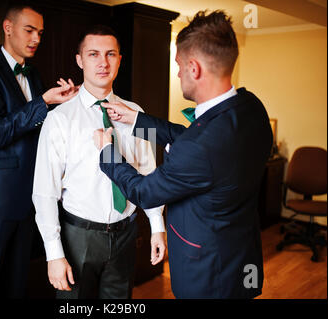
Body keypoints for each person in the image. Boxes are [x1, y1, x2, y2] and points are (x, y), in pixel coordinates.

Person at [93, 10, 272, 299]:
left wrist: (107, 154)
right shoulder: (251, 108)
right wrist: (138, 120)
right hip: (242, 260)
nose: (177, 73)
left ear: (194, 68)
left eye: (178, 66)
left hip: (207, 276)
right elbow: (201, 139)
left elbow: (144, 192)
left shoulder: (199, 148)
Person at [32, 25, 166, 299]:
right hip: (78, 236)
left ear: (119, 59)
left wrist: (157, 226)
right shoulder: (59, 119)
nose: (103, 63)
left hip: (127, 233)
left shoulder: (139, 113)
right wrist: (54, 253)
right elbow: (44, 192)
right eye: (93, 54)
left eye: (111, 54)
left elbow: (150, 174)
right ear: (80, 60)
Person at [0, 3, 78, 298]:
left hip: (31, 198)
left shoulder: (35, 74)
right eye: (29, 30)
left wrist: (65, 105)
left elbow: (39, 130)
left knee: (16, 284)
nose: (36, 38)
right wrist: (42, 102)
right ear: (8, 28)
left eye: (40, 32)